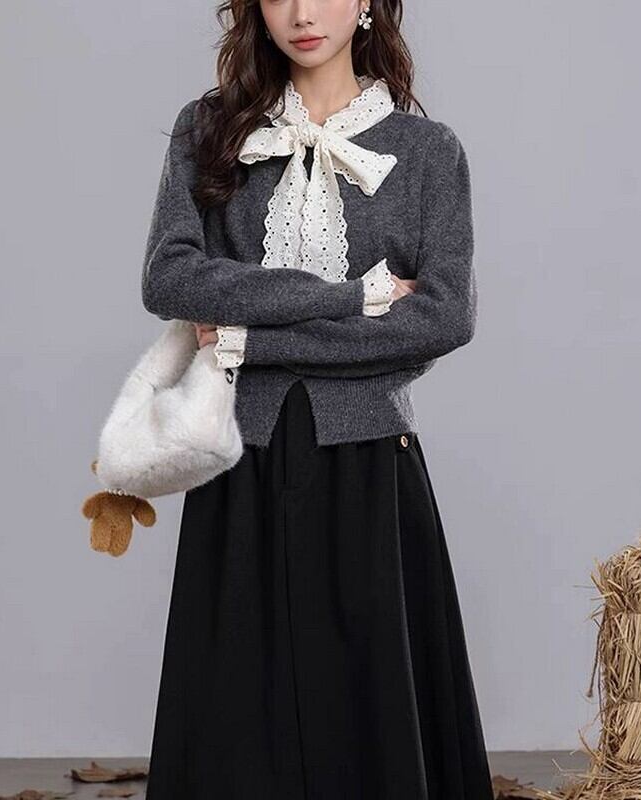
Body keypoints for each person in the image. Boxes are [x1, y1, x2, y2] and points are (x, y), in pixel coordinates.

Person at [141, 1, 494, 797]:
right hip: (242, 458)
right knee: (236, 716)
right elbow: (169, 278)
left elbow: (442, 319)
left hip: (370, 463)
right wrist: (356, 299)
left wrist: (246, 337)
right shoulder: (208, 130)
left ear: (368, 3)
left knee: (369, 719)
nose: (302, 13)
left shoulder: (429, 152)